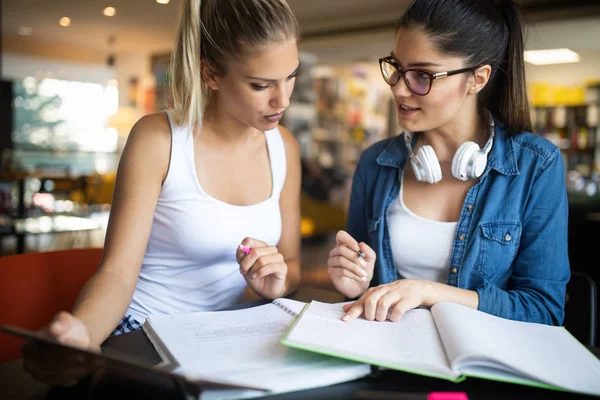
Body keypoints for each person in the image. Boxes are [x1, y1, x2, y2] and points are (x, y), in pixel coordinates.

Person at [24, 0, 302, 386]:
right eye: (260, 85)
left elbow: (291, 264)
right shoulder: (158, 139)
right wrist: (81, 334)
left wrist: (273, 283)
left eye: (291, 77)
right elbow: (118, 274)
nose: (282, 99)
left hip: (233, 335)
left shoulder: (284, 146)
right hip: (147, 334)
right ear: (211, 74)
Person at [328, 0, 570, 326]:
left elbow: (543, 309)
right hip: (390, 360)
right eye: (396, 68)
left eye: (422, 75)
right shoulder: (376, 163)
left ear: (478, 79)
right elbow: (363, 295)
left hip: (482, 365)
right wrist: (355, 286)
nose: (399, 88)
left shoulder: (536, 166)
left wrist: (430, 292)